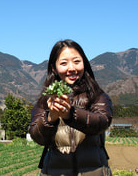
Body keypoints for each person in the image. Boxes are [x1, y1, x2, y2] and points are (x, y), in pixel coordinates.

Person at [29, 39, 113, 175]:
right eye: (63, 63)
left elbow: (102, 122)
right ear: (53, 68)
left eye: (76, 61)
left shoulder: (96, 95)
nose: (72, 68)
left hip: (94, 171)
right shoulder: (45, 101)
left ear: (84, 63)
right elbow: (37, 137)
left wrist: (71, 114)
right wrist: (51, 118)